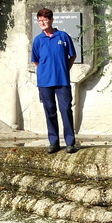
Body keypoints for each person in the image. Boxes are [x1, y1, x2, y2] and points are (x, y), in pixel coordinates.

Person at [31, 8, 78, 153]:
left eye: (44, 20)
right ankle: (54, 142)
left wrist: (64, 69)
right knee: (50, 111)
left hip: (62, 81)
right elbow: (36, 61)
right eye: (39, 20)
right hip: (45, 83)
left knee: (65, 110)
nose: (42, 23)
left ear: (51, 20)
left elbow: (73, 56)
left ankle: (70, 142)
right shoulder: (38, 40)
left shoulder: (63, 36)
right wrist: (47, 71)